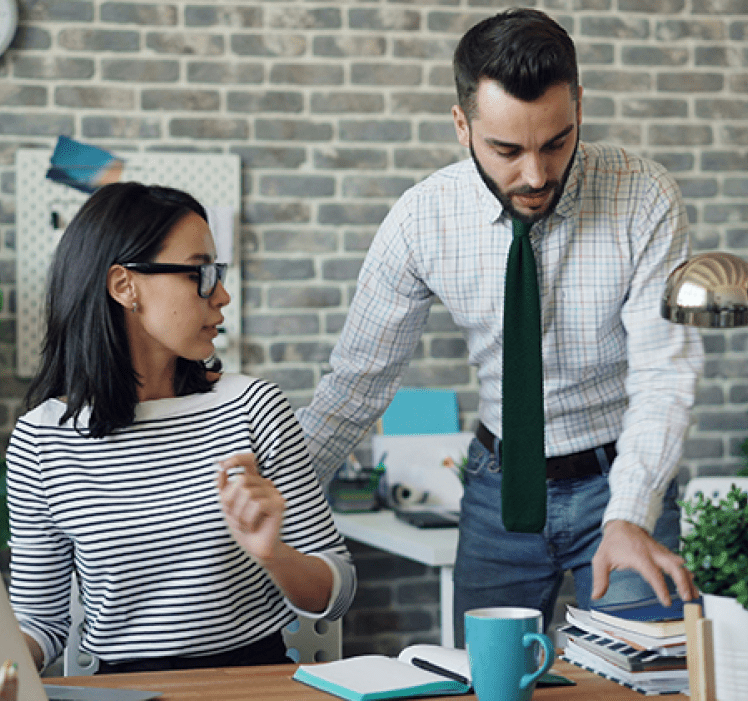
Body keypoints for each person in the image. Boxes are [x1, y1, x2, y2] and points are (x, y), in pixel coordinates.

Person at [298, 8, 704, 646]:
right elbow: (356, 384)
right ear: (462, 125)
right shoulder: (422, 220)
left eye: (556, 142)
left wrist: (629, 515)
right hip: (498, 490)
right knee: (486, 686)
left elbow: (663, 372)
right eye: (507, 150)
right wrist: (285, 501)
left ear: (579, 108)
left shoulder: (642, 196)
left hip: (621, 483)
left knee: (647, 677)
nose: (536, 175)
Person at [6, 182, 355, 673]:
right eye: (202, 273)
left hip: (251, 683)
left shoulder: (253, 407)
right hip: (123, 691)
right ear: (124, 285)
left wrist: (275, 554)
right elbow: (40, 623)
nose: (223, 294)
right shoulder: (41, 439)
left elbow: (335, 593)